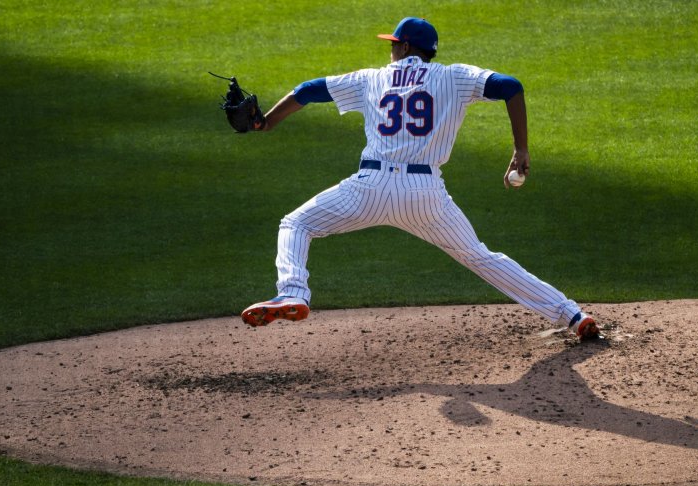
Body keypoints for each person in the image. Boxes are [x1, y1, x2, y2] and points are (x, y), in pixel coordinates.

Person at [240, 17, 600, 340]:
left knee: (296, 224)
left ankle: (293, 293)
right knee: (480, 257)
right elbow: (510, 85)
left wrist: (265, 122)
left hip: (368, 188)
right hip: (424, 195)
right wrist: (521, 149)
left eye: (394, 44)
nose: (391, 49)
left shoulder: (372, 78)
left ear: (407, 47)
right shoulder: (453, 76)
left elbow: (307, 90)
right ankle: (571, 313)